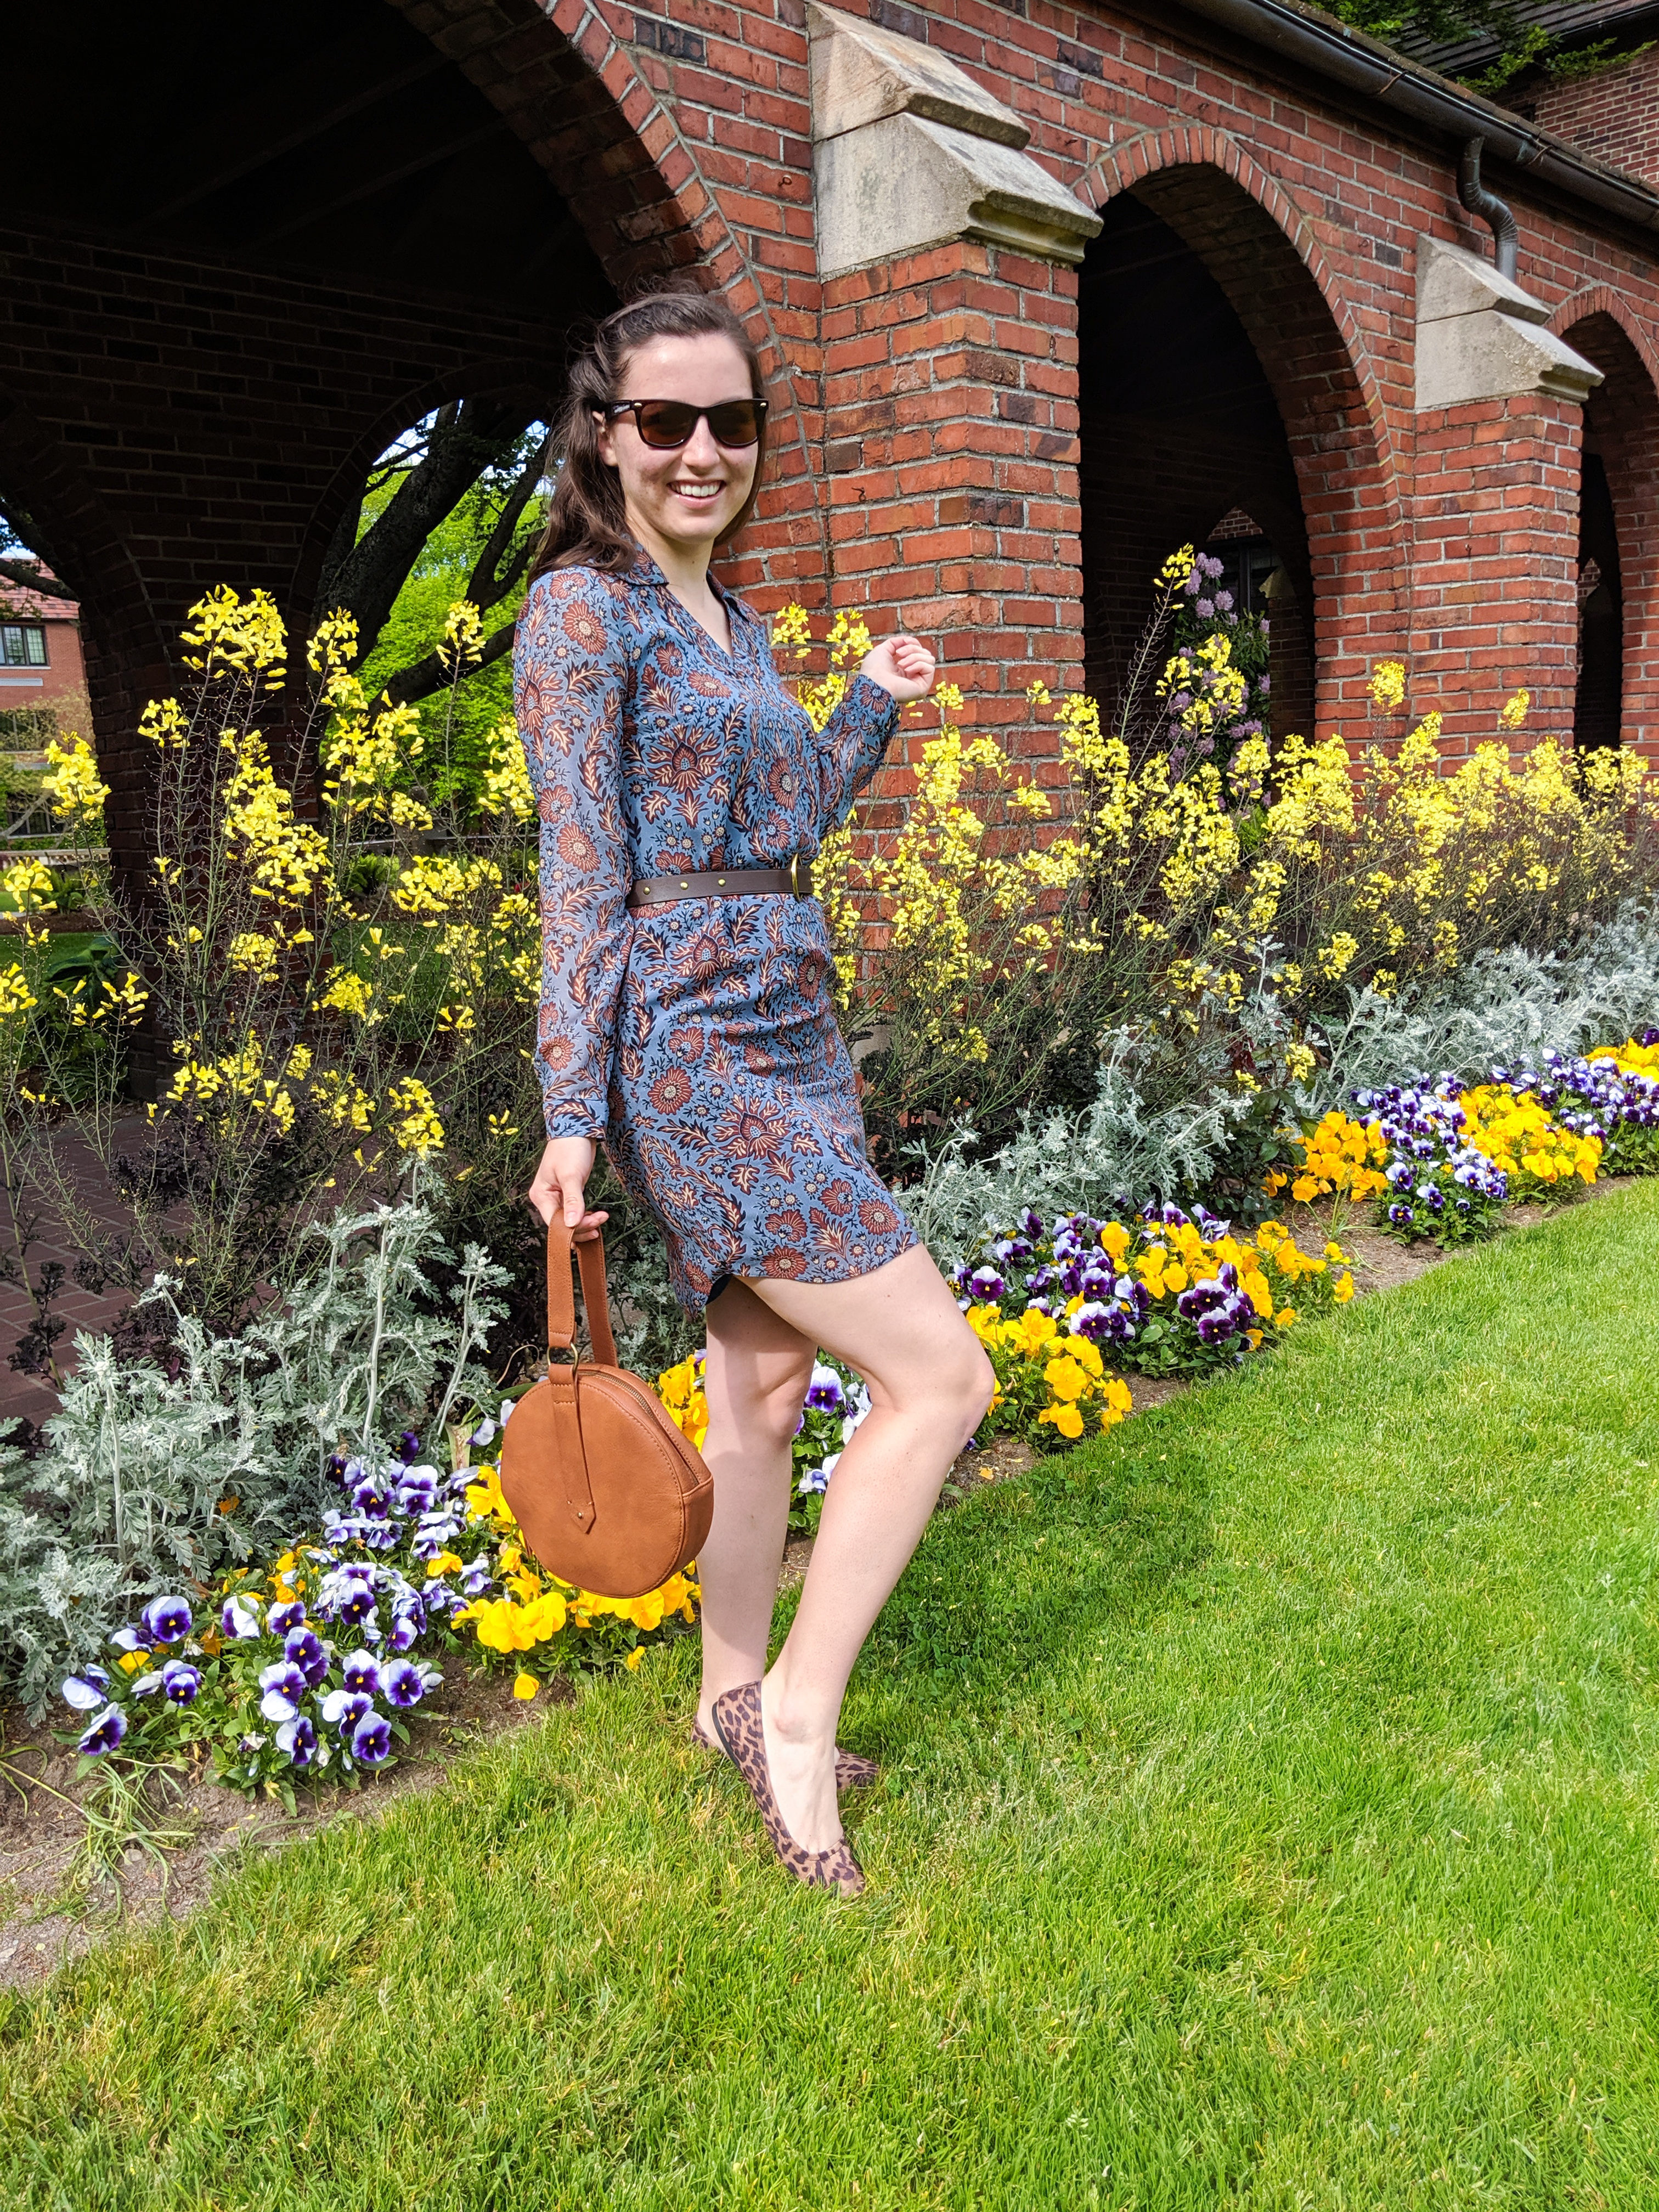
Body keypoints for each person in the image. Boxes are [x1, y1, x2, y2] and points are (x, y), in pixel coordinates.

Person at [517, 290, 994, 1897]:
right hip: (689, 1046)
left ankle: (729, 1694)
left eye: (732, 422)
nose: (702, 452)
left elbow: (782, 819)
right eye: (666, 422)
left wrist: (866, 702)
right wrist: (572, 1109)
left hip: (794, 1024)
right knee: (941, 1379)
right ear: (607, 435)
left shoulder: (736, 622)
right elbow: (583, 871)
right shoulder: (583, 616)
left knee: (765, 1394)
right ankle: (799, 1715)